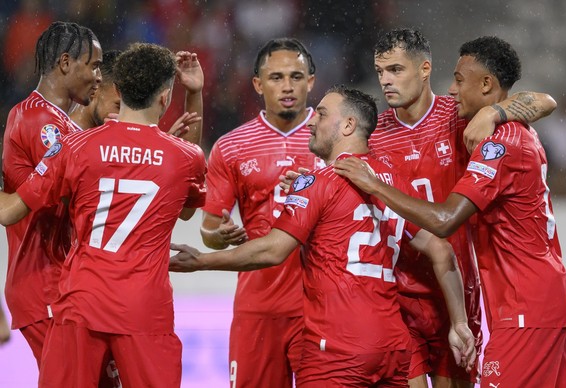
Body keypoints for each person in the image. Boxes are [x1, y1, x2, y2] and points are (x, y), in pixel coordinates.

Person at [170, 85, 476, 387]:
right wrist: (459, 323)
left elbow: (273, 251)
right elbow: (442, 251)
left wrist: (201, 260)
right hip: (392, 344)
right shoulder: (392, 182)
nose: (312, 121)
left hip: (338, 349)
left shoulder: (319, 182)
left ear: (348, 125)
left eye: (321, 113)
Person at [334, 36, 566, 388]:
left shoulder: (465, 118)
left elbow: (545, 100)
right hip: (403, 298)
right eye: (380, 71)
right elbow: (336, 167)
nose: (385, 79)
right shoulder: (376, 134)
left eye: (395, 69)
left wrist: (494, 111)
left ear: (424, 70)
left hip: (468, 295)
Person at [0, 42, 207, 387]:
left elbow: (10, 211)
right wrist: (195, 96)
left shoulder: (74, 146)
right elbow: (187, 210)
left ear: (118, 89)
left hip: (81, 304)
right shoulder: (184, 157)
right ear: (164, 97)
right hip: (143, 309)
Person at [199, 38, 323, 388]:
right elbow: (209, 229)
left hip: (321, 306)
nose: (287, 86)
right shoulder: (231, 146)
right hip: (258, 307)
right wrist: (217, 236)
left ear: (311, 81)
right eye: (276, 77)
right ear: (257, 84)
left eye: (297, 76)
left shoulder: (333, 137)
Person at [1, 21, 102, 366]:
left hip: (63, 281)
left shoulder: (65, 124)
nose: (98, 77)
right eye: (93, 66)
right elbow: (68, 196)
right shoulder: (37, 120)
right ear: (65, 63)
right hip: (44, 281)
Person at [69, 49, 205, 144]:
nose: (125, 115)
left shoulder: (117, 139)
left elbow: (188, 170)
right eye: (119, 105)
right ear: (95, 89)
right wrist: (158, 148)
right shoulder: (62, 137)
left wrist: (193, 92)